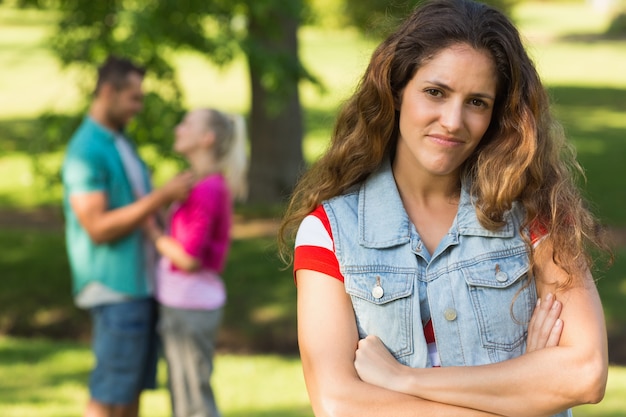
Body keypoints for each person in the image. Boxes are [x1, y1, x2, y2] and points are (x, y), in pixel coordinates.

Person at [278, 0, 610, 415]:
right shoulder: (329, 231)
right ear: (397, 91)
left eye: (477, 102)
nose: (453, 121)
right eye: (435, 92)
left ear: (497, 115)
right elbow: (337, 401)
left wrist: (405, 380)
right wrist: (524, 394)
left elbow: (585, 373)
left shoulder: (536, 215)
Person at [62, 55, 194, 417]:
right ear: (108, 91)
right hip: (114, 288)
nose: (139, 107)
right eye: (133, 98)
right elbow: (98, 227)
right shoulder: (86, 150)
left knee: (130, 391)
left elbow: (138, 209)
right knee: (109, 393)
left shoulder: (119, 141)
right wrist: (161, 196)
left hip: (139, 285)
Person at [144, 108, 248, 417]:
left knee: (192, 402)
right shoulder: (202, 185)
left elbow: (188, 259)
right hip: (184, 305)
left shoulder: (208, 190)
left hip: (190, 308)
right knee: (183, 395)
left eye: (186, 123)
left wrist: (149, 229)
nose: (178, 128)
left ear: (207, 138)